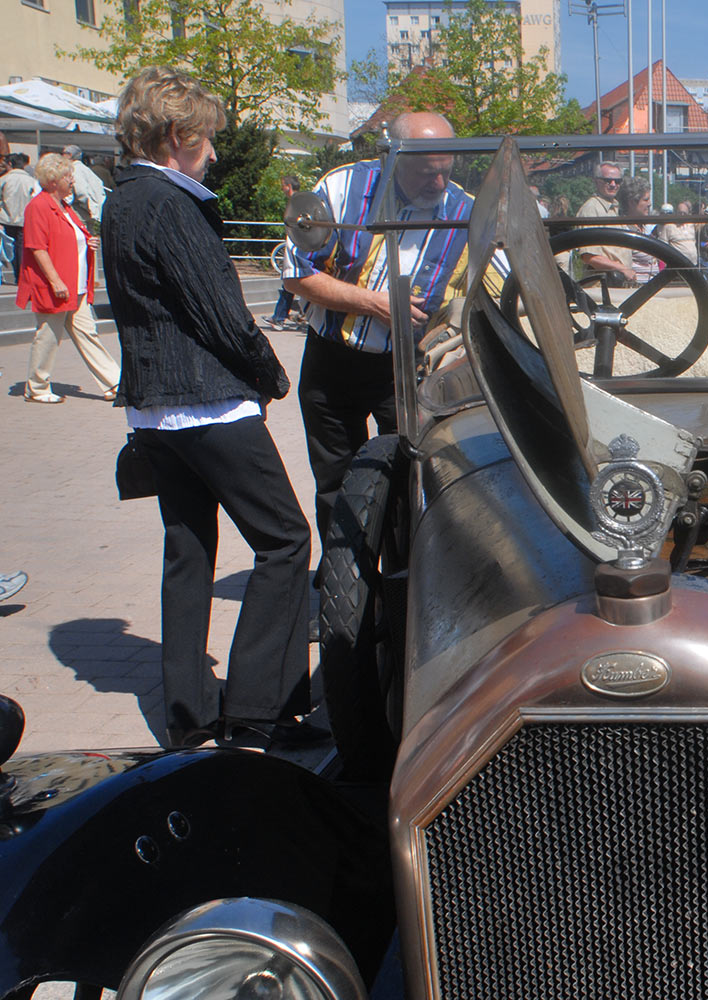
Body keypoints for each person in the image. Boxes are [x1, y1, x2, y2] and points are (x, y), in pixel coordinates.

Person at [103, 66, 320, 750]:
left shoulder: (123, 197)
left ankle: (188, 715)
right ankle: (260, 708)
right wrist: (271, 375)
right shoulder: (169, 202)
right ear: (177, 136)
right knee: (286, 542)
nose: (217, 153)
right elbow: (222, 316)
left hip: (155, 409)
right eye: (209, 140)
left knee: (188, 553)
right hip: (206, 404)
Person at [282, 111, 473, 546]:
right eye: (427, 173)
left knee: (411, 484)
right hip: (333, 364)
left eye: (446, 172)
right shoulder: (342, 189)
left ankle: (402, 588)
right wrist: (373, 304)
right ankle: (346, 589)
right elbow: (295, 274)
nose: (439, 185)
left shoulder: (466, 210)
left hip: (408, 372)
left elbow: (497, 289)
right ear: (393, 155)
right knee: (336, 486)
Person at [17, 152, 120, 404]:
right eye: (67, 176)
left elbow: (71, 239)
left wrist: (89, 242)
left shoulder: (65, 207)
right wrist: (56, 281)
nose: (72, 181)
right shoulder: (38, 207)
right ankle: (37, 387)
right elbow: (37, 248)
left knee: (88, 333)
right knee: (48, 336)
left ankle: (116, 382)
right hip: (57, 285)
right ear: (53, 180)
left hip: (76, 284)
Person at [574, 160, 634, 285]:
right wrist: (622, 268)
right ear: (596, 181)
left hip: (618, 285)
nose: (613, 184)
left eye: (617, 181)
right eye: (608, 180)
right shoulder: (591, 209)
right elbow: (589, 257)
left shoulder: (615, 208)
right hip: (600, 286)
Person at [261, 175, 303, 331]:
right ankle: (280, 316)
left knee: (290, 282)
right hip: (296, 246)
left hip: (296, 247)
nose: (281, 189)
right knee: (289, 283)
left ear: (288, 186)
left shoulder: (296, 202)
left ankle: (280, 318)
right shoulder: (301, 200)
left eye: (282, 186)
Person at [1, 154, 40, 285]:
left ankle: (16, 273)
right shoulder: (32, 181)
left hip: (6, 219)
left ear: (10, 164)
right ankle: (23, 276)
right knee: (22, 247)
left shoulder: (4, 179)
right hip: (26, 219)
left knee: (9, 248)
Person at [616, 177, 659, 284]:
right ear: (631, 202)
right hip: (637, 291)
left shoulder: (643, 227)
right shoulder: (623, 230)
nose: (649, 204)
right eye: (645, 199)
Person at [62, 144, 107, 229]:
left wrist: (89, 208)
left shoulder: (75, 169)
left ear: (69, 155)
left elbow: (81, 192)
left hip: (81, 213)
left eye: (64, 153)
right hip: (90, 212)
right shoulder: (85, 169)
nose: (62, 156)